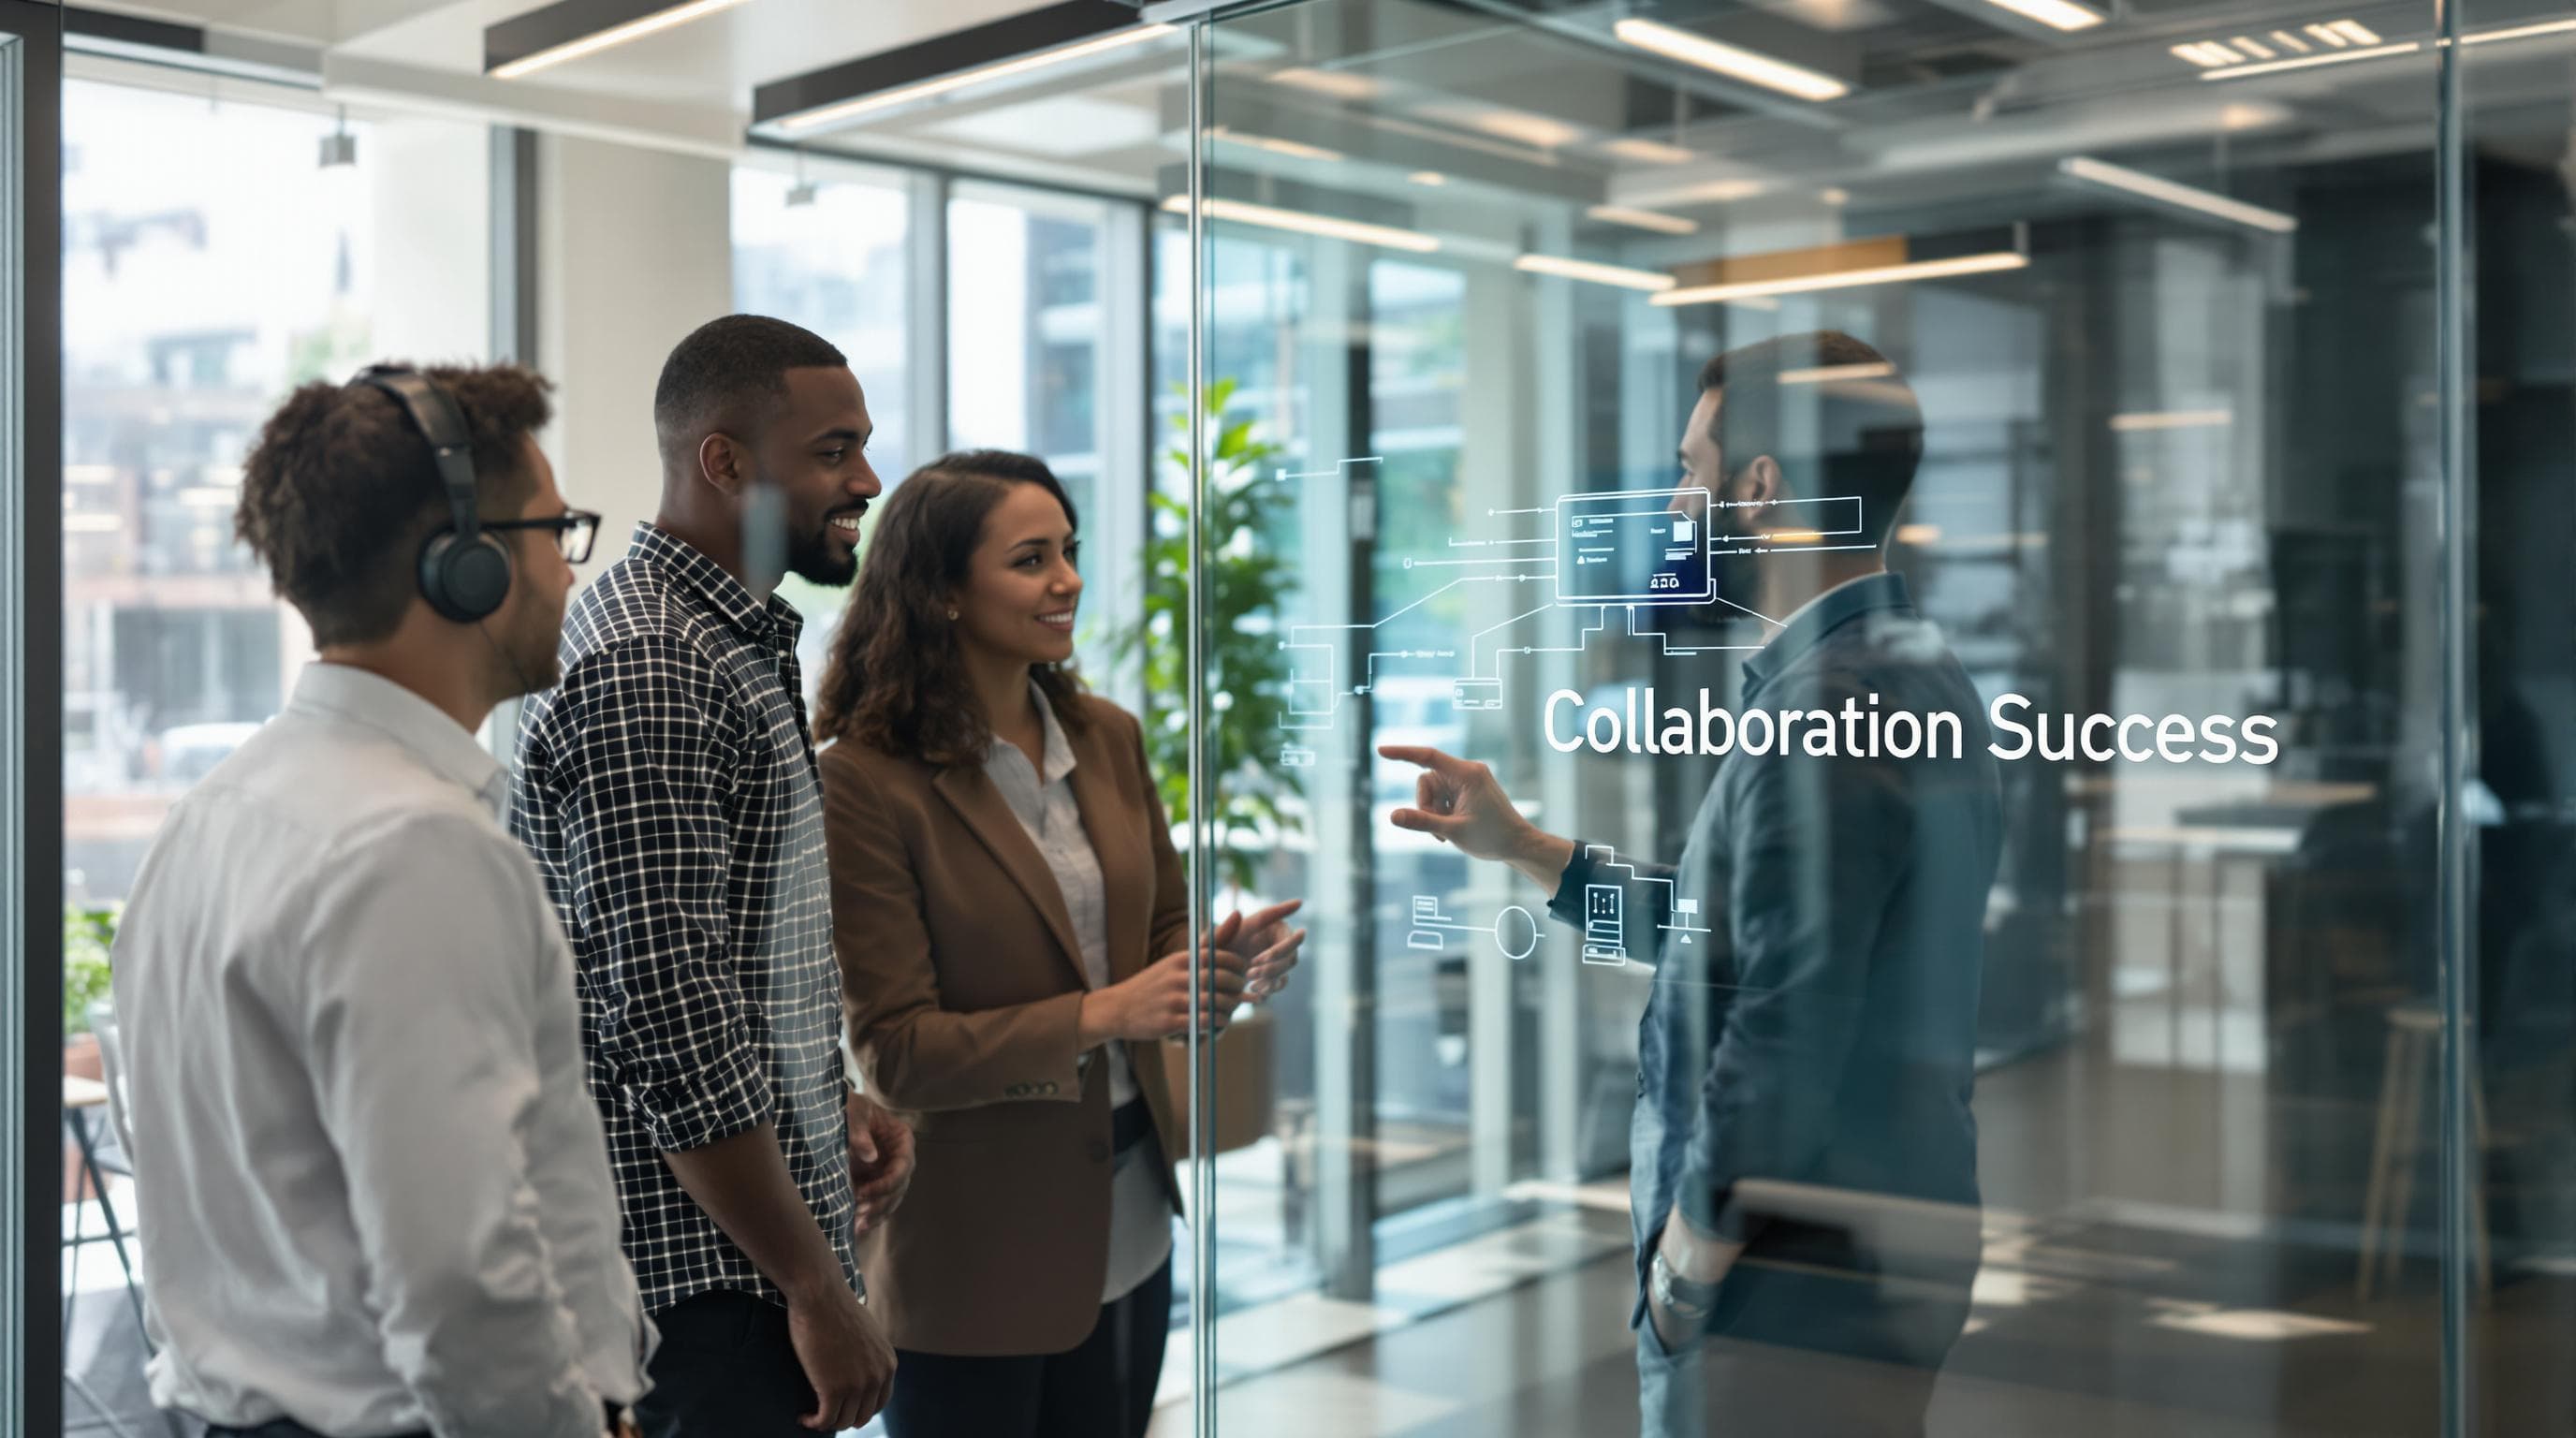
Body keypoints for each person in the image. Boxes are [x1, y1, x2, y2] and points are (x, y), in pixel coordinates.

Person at [1382, 332, 2003, 1438]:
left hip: (1793, 1284)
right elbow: (1739, 944)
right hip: (1862, 1247)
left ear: (1759, 490)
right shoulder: (1894, 669)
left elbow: (1785, 1020)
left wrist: (1686, 1264)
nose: (1677, 499)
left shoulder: (1829, 707)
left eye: (1690, 468)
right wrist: (1530, 849)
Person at [112, 363, 644, 1438]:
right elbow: (463, 1280)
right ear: (466, 563)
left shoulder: (215, 814)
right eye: (555, 529)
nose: (566, 570)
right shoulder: (415, 849)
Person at [812, 449, 1305, 1438]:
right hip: (973, 1252)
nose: (1068, 580)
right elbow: (899, 1050)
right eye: (1031, 559)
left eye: (1069, 551)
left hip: (1130, 1221)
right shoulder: (864, 782)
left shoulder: (1106, 735)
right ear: (942, 592)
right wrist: (1106, 1013)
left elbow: (1157, 921)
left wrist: (1212, 967)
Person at [509, 315, 912, 1437]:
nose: (866, 479)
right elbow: (668, 1011)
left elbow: (734, 953)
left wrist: (830, 1098)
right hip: (705, 1290)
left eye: (863, 446)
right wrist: (812, 1285)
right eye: (834, 450)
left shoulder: (727, 639)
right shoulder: (653, 663)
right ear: (722, 460)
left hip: (740, 1265)